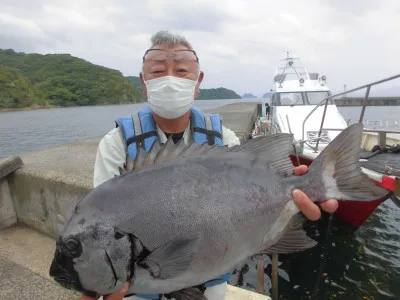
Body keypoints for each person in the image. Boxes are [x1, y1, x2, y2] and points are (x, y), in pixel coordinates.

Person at [84, 31, 338, 300]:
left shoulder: (224, 140)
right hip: (137, 291)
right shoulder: (116, 144)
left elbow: (252, 204)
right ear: (144, 82)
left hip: (209, 286)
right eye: (157, 71)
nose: (170, 79)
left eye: (181, 70)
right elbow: (105, 226)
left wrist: (293, 200)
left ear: (198, 82)